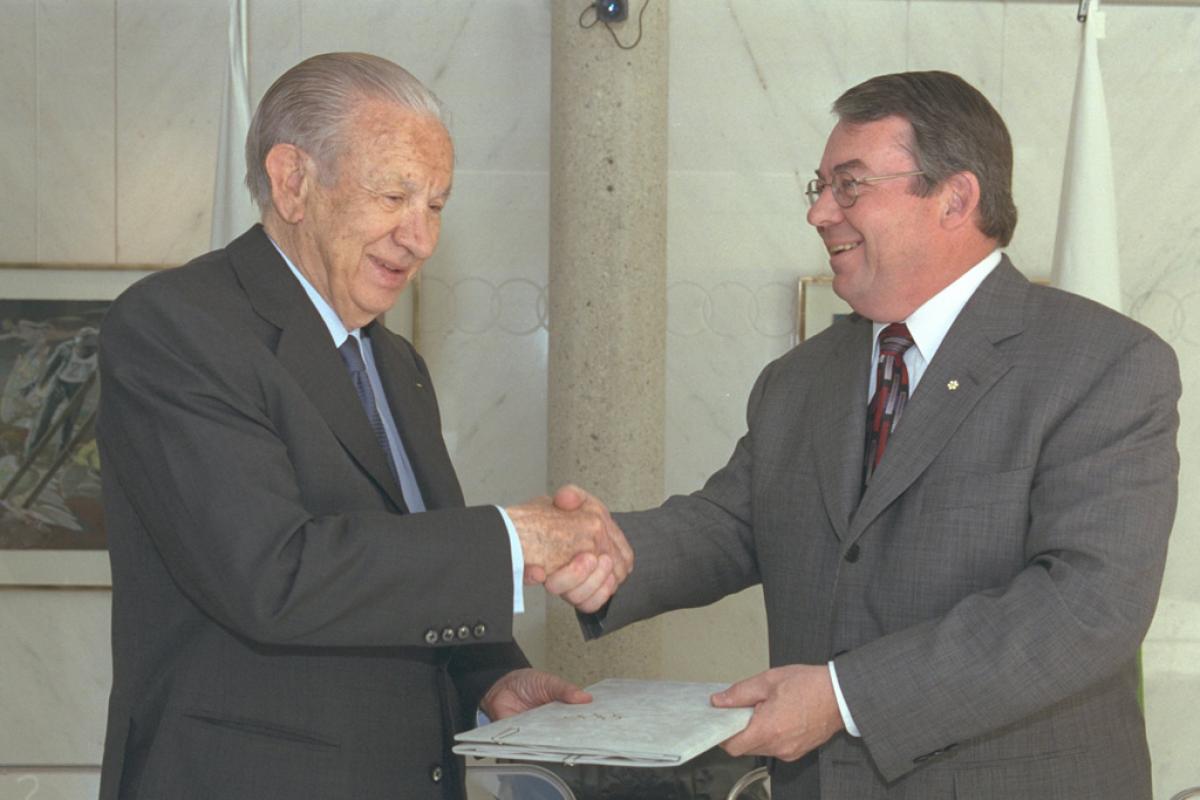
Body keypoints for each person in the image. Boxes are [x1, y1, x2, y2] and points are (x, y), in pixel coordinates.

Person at [550, 71, 1180, 799]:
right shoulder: (799, 378)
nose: (820, 213)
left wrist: (844, 697)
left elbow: (1086, 607)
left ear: (955, 198)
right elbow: (731, 524)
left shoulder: (1104, 364)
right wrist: (599, 553)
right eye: (818, 187)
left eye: (849, 186)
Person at [96, 52, 629, 800]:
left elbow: (406, 563)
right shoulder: (177, 327)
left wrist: (492, 677)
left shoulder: (397, 364)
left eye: (437, 205)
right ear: (293, 182)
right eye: (394, 196)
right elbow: (272, 573)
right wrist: (515, 538)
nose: (421, 239)